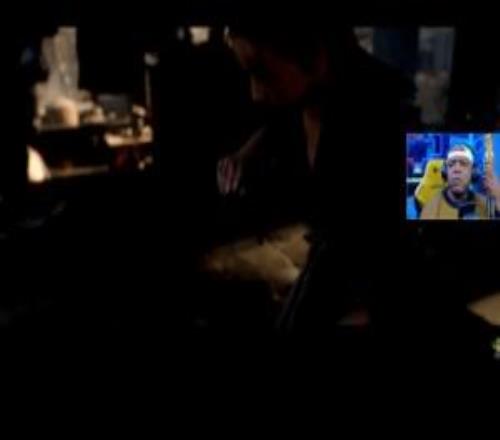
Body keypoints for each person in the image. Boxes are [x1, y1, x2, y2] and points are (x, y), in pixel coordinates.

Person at [216, 17, 415, 338]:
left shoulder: (390, 116)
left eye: (261, 73)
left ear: (314, 53)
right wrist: (248, 153)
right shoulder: (307, 100)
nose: (255, 93)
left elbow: (480, 192)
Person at [420, 144, 500, 219]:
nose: (457, 169)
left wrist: (498, 197)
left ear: (473, 172)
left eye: (463, 164)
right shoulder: (431, 210)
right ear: (445, 172)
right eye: (451, 164)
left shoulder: (485, 205)